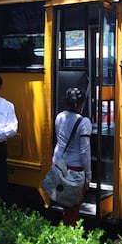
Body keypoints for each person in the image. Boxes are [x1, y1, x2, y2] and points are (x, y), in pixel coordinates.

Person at [53, 87, 92, 226]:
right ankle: (69, 235)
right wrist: (88, 176)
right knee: (73, 207)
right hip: (74, 168)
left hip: (58, 165)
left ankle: (64, 230)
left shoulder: (59, 116)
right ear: (82, 104)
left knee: (65, 204)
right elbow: (84, 151)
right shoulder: (84, 122)